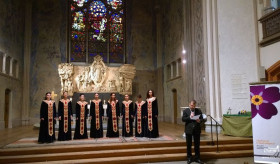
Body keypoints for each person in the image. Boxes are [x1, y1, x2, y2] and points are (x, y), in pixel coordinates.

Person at [182, 100, 204, 164]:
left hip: (197, 129)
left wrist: (199, 120)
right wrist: (189, 117)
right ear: (189, 105)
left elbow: (202, 119)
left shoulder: (198, 111)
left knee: (197, 145)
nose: (193, 107)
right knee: (189, 145)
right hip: (189, 130)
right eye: (191, 105)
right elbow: (183, 119)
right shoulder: (186, 111)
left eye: (194, 105)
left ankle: (197, 158)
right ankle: (189, 158)